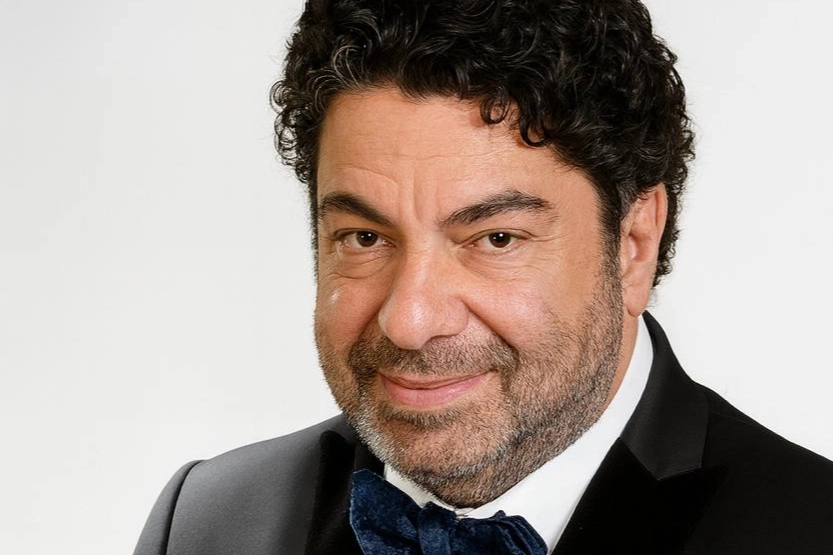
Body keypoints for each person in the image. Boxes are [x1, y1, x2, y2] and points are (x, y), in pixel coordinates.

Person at [133, 0, 833, 553]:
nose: (409, 320)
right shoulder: (207, 525)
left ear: (633, 243)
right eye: (365, 237)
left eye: (495, 238)